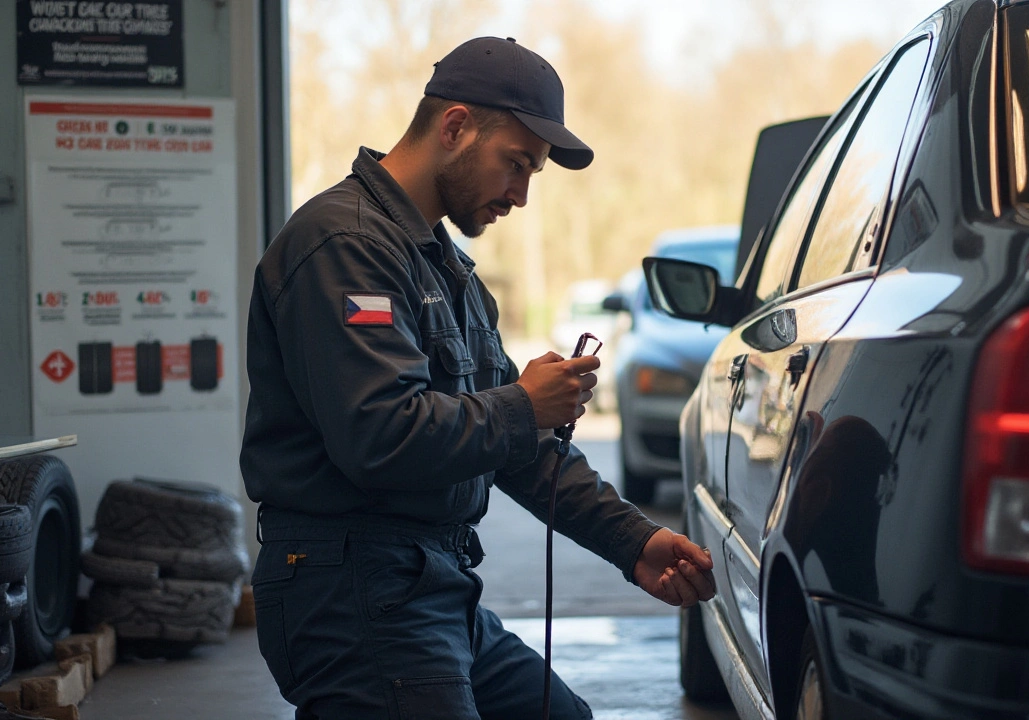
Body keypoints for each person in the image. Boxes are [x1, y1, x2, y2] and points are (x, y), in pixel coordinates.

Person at [239, 36, 716, 720]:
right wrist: (523, 403)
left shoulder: (448, 271)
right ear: (455, 127)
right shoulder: (345, 247)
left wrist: (634, 541)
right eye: (515, 165)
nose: (520, 195)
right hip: (352, 589)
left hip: (433, 583)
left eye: (533, 174)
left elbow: (517, 452)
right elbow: (380, 436)